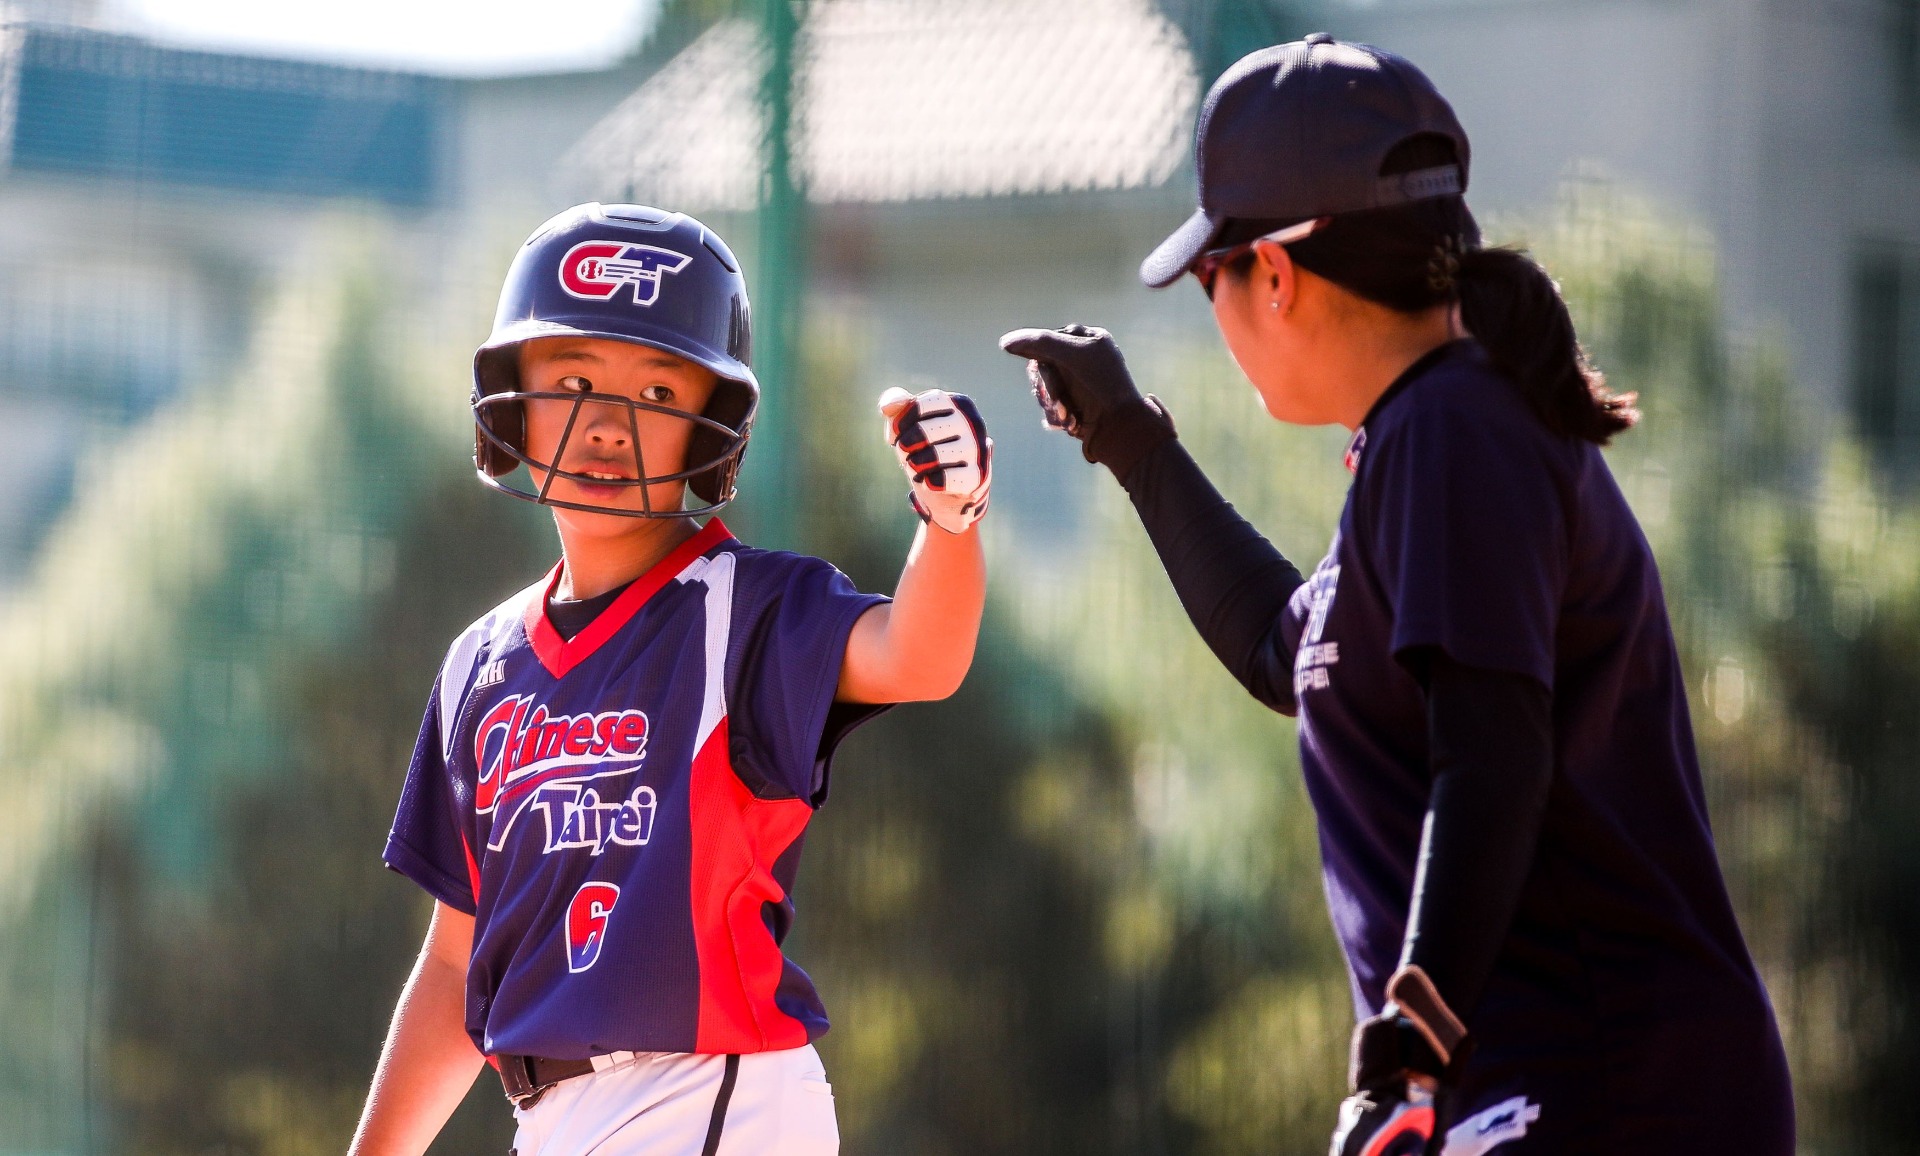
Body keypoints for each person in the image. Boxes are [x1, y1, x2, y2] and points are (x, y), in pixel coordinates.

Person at [1001, 35, 1793, 1156]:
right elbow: (1288, 651)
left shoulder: (1456, 429)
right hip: (1550, 1083)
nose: (1214, 309)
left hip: (1603, 1087)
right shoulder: (1431, 433)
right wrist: (1128, 436)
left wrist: (1408, 1050)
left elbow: (1492, 757)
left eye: (1212, 275)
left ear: (1275, 273)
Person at [346, 203, 992, 1156]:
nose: (610, 425)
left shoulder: (746, 609)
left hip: (705, 1094)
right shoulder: (480, 666)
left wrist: (951, 521)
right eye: (574, 381)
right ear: (513, 403)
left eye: (657, 392)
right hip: (551, 1119)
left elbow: (919, 658)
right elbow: (455, 965)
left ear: (708, 430)